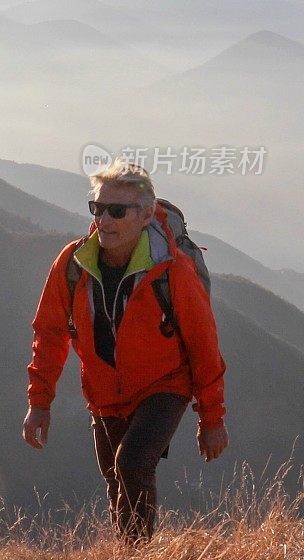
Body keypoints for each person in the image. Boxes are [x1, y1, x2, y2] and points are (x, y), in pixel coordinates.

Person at [22, 160, 228, 543]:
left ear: (146, 214)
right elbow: (49, 333)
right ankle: (129, 549)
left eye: (117, 211)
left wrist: (211, 418)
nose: (104, 219)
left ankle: (136, 553)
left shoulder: (173, 271)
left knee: (131, 464)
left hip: (165, 385)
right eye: (97, 208)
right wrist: (40, 401)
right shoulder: (73, 263)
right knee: (117, 480)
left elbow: (204, 345)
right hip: (104, 394)